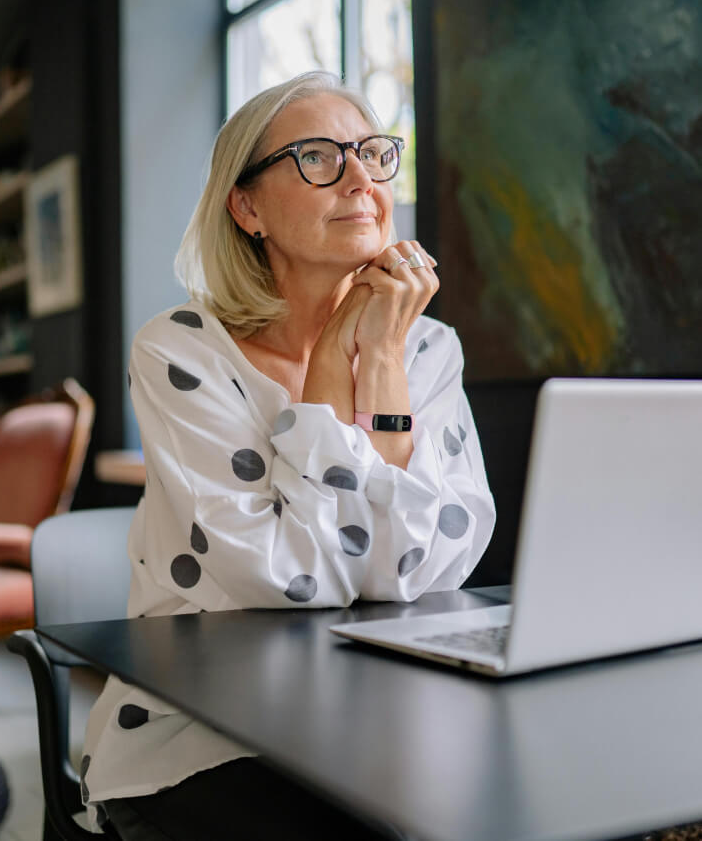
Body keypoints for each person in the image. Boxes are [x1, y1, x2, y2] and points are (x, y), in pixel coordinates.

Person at [82, 70, 496, 840]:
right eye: (318, 157)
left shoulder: (429, 348)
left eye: (373, 155)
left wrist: (372, 361)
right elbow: (293, 583)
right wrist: (332, 370)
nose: (359, 178)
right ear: (247, 208)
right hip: (205, 737)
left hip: (385, 709)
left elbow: (426, 570)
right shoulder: (181, 352)